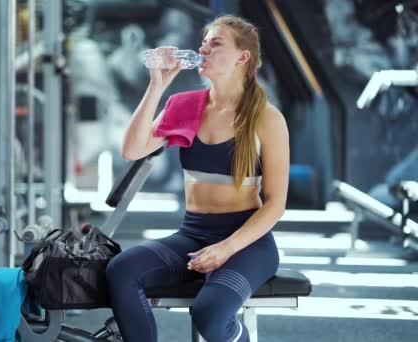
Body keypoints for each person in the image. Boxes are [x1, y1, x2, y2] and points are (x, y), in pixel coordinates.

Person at [106, 14, 289, 342]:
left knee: (209, 312)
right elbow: (132, 150)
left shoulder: (267, 118)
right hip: (192, 234)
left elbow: (276, 204)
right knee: (121, 270)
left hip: (247, 244)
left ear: (242, 57)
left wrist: (226, 248)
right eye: (203, 41)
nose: (203, 48)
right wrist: (157, 85)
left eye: (215, 43)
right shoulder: (184, 105)